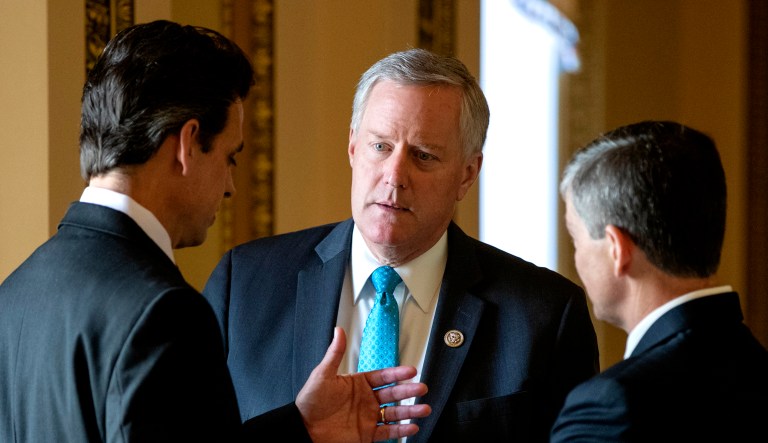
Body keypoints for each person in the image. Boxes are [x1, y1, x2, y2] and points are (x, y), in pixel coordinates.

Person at [0, 20, 431, 443]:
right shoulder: (165, 314)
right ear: (188, 145)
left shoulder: (15, 291)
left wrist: (301, 426)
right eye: (230, 157)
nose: (230, 186)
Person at [203, 48, 599, 442]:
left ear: (467, 174)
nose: (395, 176)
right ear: (353, 147)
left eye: (423, 156)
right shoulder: (245, 284)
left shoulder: (544, 316)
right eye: (380, 147)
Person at [550, 120, 768, 442]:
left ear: (616, 249)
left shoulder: (610, 405)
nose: (576, 257)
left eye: (576, 238)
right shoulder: (756, 366)